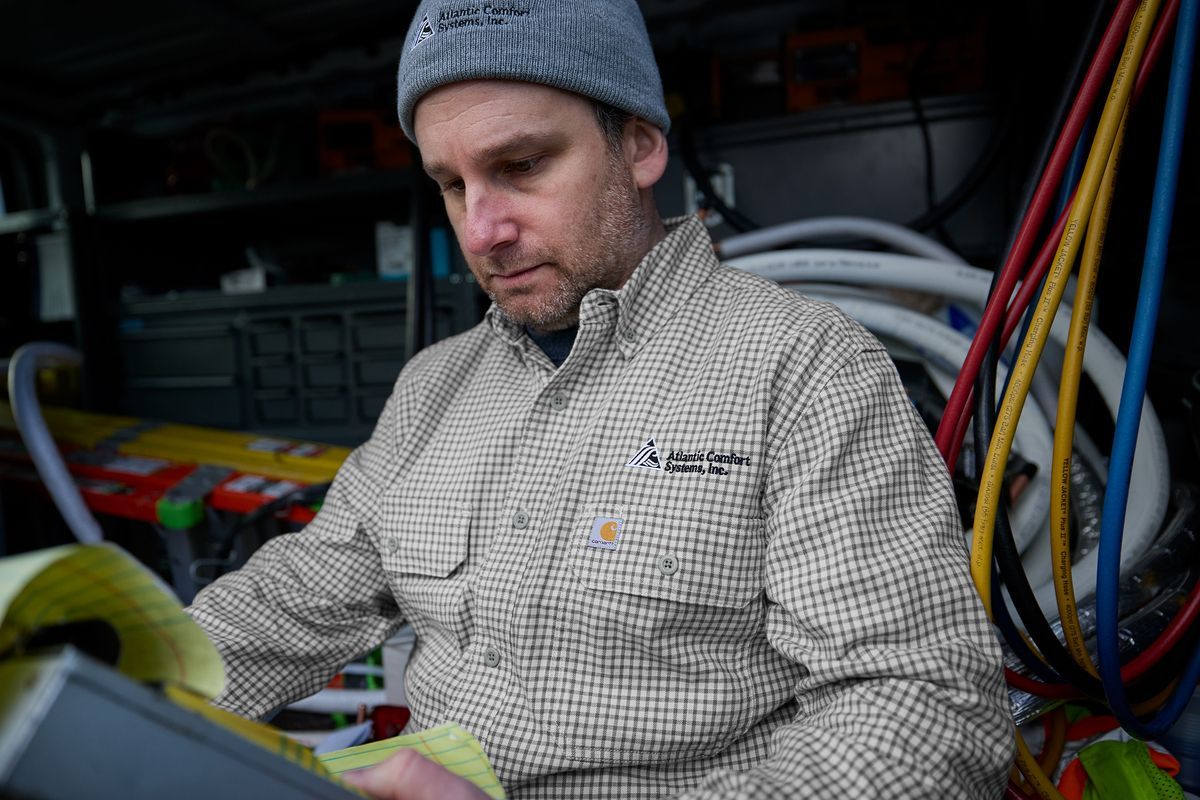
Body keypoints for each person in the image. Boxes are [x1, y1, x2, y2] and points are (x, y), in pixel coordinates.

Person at [186, 1, 1015, 797]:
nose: (481, 230)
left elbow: (931, 711)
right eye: (452, 183)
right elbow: (295, 600)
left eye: (520, 166)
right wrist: (105, 674)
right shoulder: (434, 384)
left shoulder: (800, 366)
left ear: (641, 145)